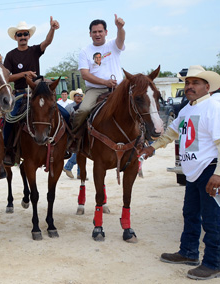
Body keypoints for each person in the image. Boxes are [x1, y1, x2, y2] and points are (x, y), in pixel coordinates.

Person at [139, 65, 220, 280]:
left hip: (209, 170)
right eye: (187, 82)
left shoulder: (214, 108)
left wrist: (218, 174)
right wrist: (151, 148)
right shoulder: (186, 109)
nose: (190, 86)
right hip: (192, 171)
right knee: (190, 214)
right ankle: (189, 252)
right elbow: (170, 135)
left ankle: (213, 262)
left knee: (212, 219)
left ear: (207, 86)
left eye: (195, 83)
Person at [2, 18, 60, 165]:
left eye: (25, 34)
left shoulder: (34, 50)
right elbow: (7, 77)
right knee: (10, 119)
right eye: (20, 34)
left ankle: (66, 144)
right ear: (15, 37)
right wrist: (24, 74)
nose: (22, 37)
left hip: (38, 92)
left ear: (29, 36)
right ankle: (7, 150)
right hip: (20, 93)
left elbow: (47, 42)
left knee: (62, 113)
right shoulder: (10, 55)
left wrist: (52, 29)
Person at [71, 15, 125, 133]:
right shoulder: (85, 51)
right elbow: (85, 74)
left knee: (137, 106)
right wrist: (105, 82)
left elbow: (121, 39)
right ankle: (73, 136)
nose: (97, 34)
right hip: (95, 90)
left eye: (100, 31)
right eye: (94, 32)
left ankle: (144, 138)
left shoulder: (113, 45)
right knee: (83, 110)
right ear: (90, 34)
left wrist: (120, 28)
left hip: (118, 88)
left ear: (106, 32)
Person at [63, 89, 84, 179]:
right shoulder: (69, 107)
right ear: (74, 97)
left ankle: (80, 173)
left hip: (82, 130)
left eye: (81, 95)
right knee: (78, 150)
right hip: (72, 131)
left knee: (82, 150)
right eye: (77, 95)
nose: (79, 97)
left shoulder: (84, 106)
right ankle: (68, 166)